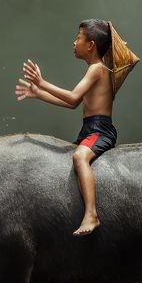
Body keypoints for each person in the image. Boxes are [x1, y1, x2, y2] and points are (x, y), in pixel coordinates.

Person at [15, 19, 118, 235]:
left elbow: (72, 98)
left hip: (100, 130)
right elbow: (74, 104)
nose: (74, 42)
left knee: (80, 157)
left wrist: (43, 83)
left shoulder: (97, 69)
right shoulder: (94, 69)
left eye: (78, 38)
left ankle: (92, 214)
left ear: (90, 45)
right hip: (89, 129)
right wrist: (39, 94)